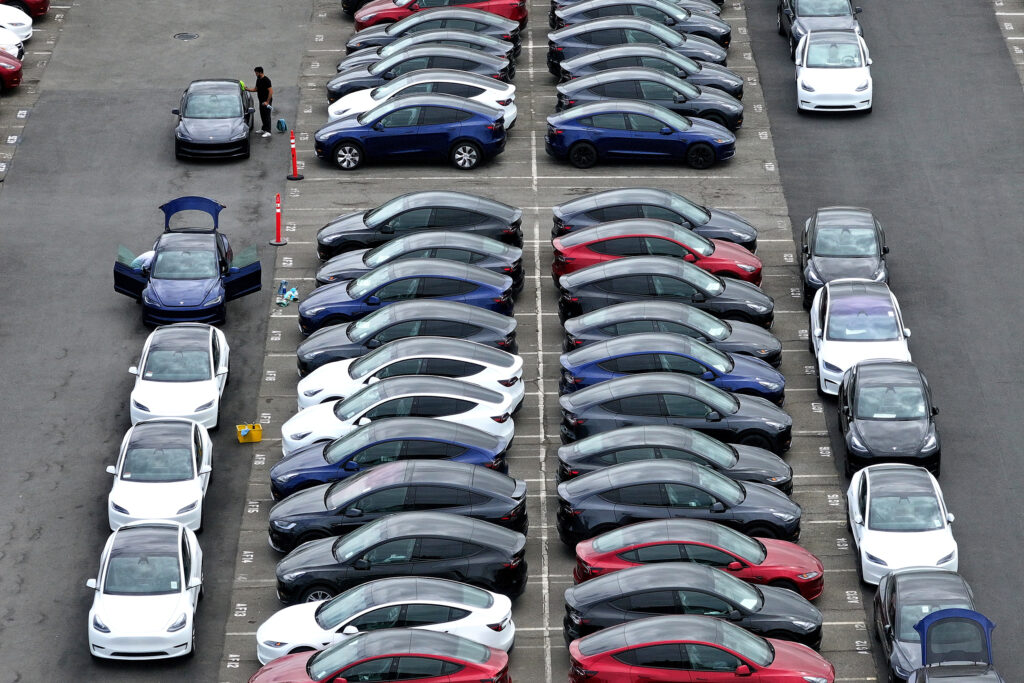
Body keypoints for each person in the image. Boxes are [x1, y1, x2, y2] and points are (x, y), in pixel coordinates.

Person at [245, 66, 274, 138]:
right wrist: (247, 89)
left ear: (260, 72)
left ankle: (268, 131)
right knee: (262, 115)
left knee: (267, 115)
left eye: (256, 73)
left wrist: (267, 102)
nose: (255, 74)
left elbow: (271, 91)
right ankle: (264, 129)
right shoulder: (258, 79)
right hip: (261, 101)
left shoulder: (266, 80)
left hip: (267, 101)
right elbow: (256, 89)